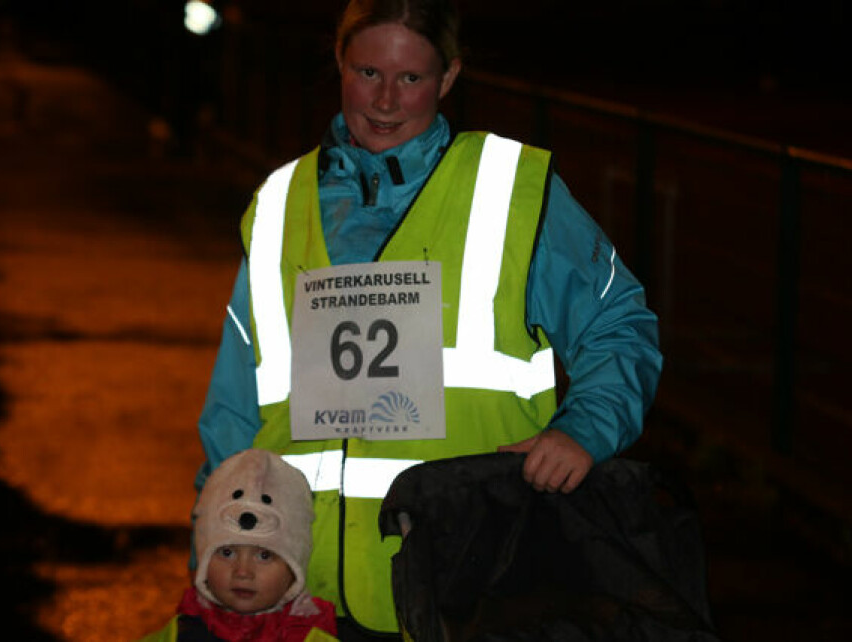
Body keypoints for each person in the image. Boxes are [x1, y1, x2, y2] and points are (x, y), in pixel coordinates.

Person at [193, 0, 663, 638]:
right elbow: (234, 404)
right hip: (303, 596)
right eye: (368, 72)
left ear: (449, 78)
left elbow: (618, 323)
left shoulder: (508, 191)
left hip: (463, 586)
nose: (386, 100)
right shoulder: (279, 203)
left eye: (411, 77)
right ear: (339, 63)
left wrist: (585, 428)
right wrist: (215, 547)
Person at [142, 449, 337, 641]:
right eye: (227, 552)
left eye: (264, 555)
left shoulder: (308, 637)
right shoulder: (179, 636)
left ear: (294, 568)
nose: (243, 572)